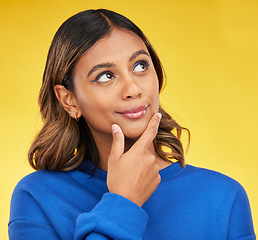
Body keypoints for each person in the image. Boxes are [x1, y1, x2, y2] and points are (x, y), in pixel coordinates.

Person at [8, 9, 255, 240]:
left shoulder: (224, 197)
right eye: (105, 76)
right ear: (69, 100)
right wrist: (123, 201)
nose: (133, 89)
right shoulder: (37, 197)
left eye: (140, 66)